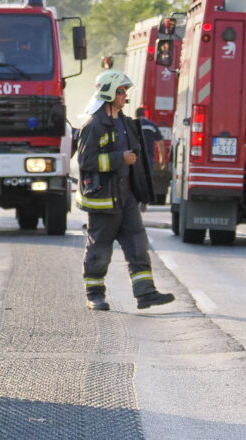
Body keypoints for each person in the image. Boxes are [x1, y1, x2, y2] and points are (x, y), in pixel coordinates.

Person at [75, 70, 176, 311]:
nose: (125, 96)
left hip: (126, 197)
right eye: (121, 91)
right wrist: (119, 158)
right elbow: (85, 161)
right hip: (103, 200)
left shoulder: (125, 122)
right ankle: (95, 295)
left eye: (126, 92)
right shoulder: (94, 124)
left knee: (138, 244)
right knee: (100, 250)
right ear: (109, 92)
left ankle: (145, 293)